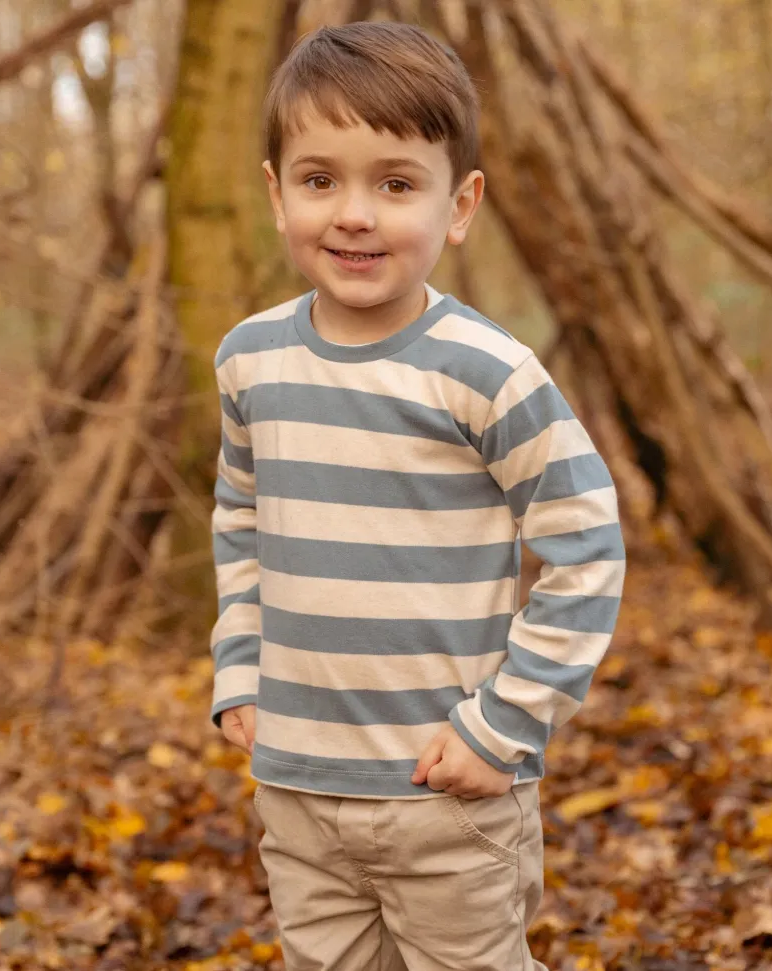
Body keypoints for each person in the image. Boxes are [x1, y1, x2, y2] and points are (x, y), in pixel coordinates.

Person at [208, 19, 625, 971]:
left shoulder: (489, 372)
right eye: (320, 180)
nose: (354, 213)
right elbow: (240, 521)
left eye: (395, 184)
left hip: (448, 789)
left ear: (461, 203)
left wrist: (506, 723)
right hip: (299, 783)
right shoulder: (250, 360)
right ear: (277, 195)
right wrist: (240, 664)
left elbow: (586, 542)